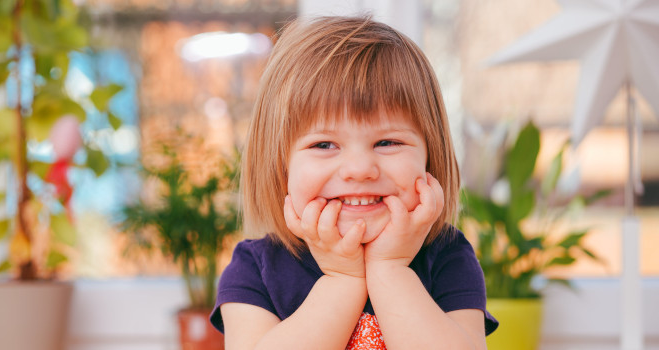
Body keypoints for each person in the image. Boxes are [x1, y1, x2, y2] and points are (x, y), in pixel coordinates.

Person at [209, 16, 498, 349]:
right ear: (281, 165)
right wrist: (342, 280)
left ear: (430, 157)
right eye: (324, 145)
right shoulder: (254, 269)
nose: (360, 170)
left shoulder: (447, 256)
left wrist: (389, 270)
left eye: (388, 142)